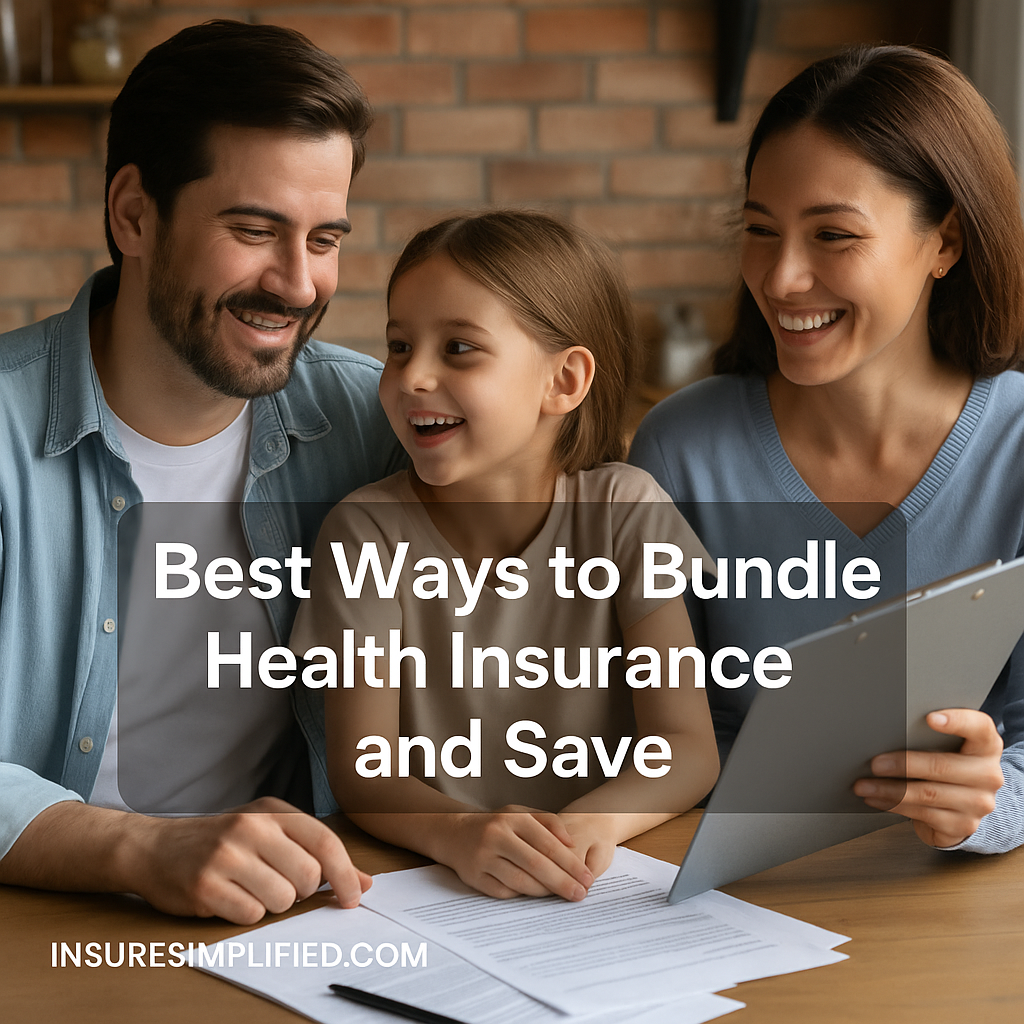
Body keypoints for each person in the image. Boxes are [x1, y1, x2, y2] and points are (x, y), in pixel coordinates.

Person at [0, 21, 405, 924]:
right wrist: (141, 847)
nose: (298, 285)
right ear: (134, 214)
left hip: (303, 913)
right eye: (256, 229)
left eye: (325, 238)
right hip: (47, 924)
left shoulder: (373, 423)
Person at [630, 45, 1024, 854]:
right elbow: (649, 733)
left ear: (944, 241)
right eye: (760, 231)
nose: (779, 279)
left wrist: (990, 805)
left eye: (833, 235)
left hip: (955, 909)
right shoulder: (679, 450)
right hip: (715, 895)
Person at [290, 212, 720, 900]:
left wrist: (585, 830)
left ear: (565, 381)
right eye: (399, 346)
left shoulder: (625, 513)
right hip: (432, 883)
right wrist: (462, 833)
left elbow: (687, 748)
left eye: (458, 347)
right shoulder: (364, 532)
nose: (412, 377)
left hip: (603, 877)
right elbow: (364, 770)